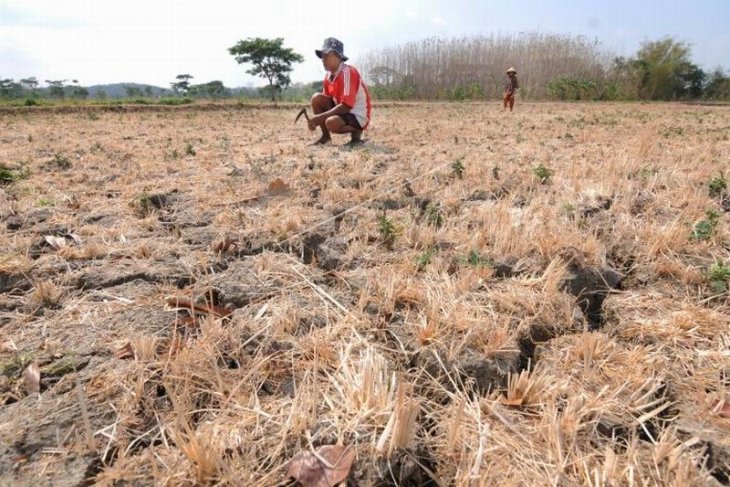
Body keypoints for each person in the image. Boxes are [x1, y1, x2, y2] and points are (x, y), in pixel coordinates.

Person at [308, 38, 371, 146]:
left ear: (339, 57)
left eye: (327, 55)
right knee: (316, 98)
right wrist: (318, 117)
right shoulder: (328, 77)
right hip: (343, 112)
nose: (323, 59)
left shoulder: (348, 72)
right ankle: (325, 137)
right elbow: (326, 101)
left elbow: (346, 106)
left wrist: (320, 118)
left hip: (357, 114)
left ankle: (356, 133)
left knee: (331, 123)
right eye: (322, 56)